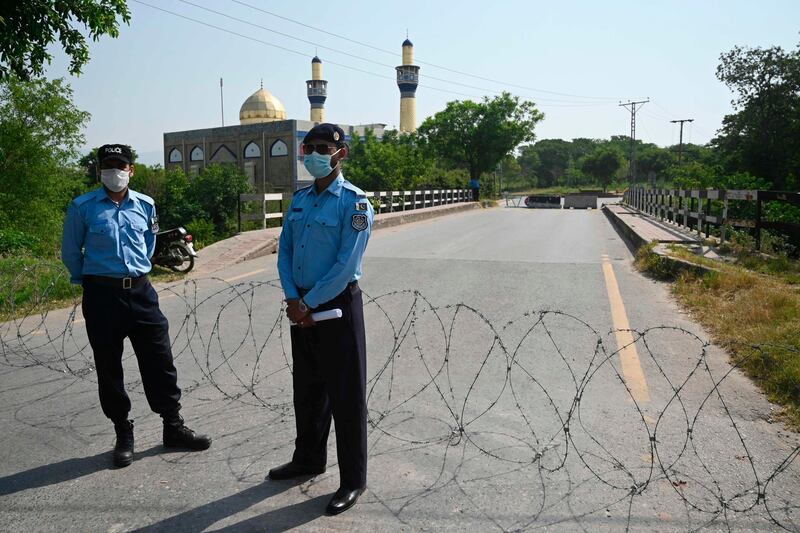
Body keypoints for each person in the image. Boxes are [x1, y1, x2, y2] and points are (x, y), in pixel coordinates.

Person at [61, 144, 211, 468]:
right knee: (109, 366)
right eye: (108, 165)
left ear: (132, 170)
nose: (114, 170)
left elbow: (149, 243)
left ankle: (173, 425)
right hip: (102, 296)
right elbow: (71, 252)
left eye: (120, 164)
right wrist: (87, 279)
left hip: (142, 293)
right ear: (99, 170)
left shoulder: (145, 204)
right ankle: (122, 431)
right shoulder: (82, 207)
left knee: (159, 359)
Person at [274, 123, 374, 516]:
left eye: (322, 148)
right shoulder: (300, 200)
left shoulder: (354, 203)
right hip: (301, 307)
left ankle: (353, 479)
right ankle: (308, 459)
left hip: (335, 309)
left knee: (346, 398)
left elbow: (346, 263)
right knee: (309, 391)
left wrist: (308, 303)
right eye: (308, 148)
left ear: (340, 153)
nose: (313, 154)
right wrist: (292, 298)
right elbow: (284, 251)